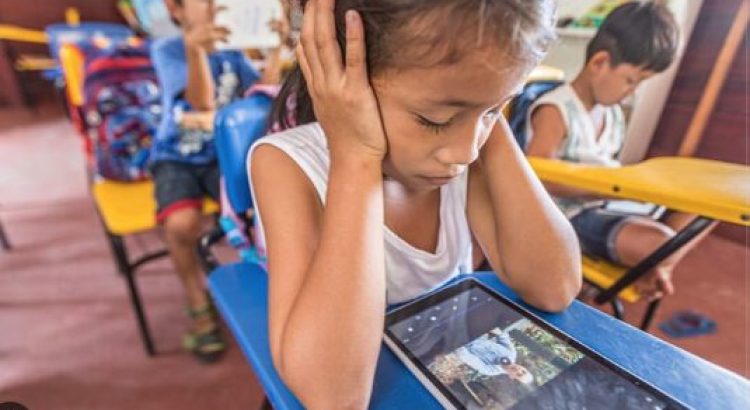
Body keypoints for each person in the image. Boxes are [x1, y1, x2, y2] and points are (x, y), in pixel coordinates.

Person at [248, 0, 582, 406]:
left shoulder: (470, 145)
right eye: (434, 120)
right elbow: (333, 397)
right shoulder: (285, 164)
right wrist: (356, 156)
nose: (466, 152)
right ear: (341, 79)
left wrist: (487, 105)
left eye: (496, 110)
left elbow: (555, 287)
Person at [526, 2, 706, 302]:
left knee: (700, 212)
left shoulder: (612, 115)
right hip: (571, 215)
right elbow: (539, 176)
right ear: (599, 63)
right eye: (631, 81)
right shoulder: (556, 110)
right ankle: (654, 266)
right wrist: (611, 188)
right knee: (663, 243)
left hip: (609, 205)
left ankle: (654, 266)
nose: (632, 92)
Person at [152, 0, 284, 362]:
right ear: (175, 9)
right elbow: (201, 103)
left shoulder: (232, 51)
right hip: (176, 156)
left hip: (217, 155)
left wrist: (276, 49)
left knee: (264, 206)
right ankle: (198, 305)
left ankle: (271, 288)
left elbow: (258, 97)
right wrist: (195, 49)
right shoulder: (167, 50)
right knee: (181, 224)